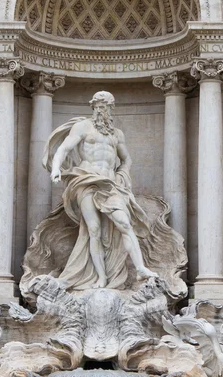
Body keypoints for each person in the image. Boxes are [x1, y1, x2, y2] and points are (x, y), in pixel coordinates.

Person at [46, 90, 157, 290]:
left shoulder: (117, 134)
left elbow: (126, 159)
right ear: (93, 107)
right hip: (86, 180)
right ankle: (101, 278)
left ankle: (140, 268)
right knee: (94, 230)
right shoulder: (82, 127)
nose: (101, 109)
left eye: (105, 106)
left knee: (124, 223)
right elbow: (63, 149)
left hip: (110, 183)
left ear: (111, 109)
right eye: (98, 106)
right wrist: (55, 169)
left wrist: (123, 174)